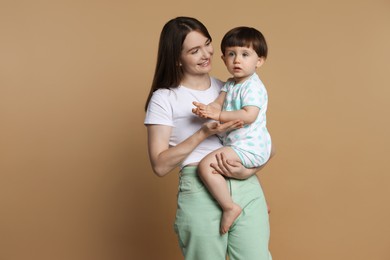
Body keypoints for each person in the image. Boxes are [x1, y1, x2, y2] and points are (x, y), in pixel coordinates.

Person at [144, 17, 272, 260]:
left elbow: (265, 143)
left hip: (245, 184)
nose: (206, 54)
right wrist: (203, 132)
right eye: (194, 50)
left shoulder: (231, 86)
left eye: (207, 44)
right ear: (176, 58)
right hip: (200, 186)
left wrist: (248, 174)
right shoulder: (165, 98)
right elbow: (160, 165)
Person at [192, 26, 272, 234]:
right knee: (231, 169)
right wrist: (208, 110)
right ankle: (262, 203)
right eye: (231, 54)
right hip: (239, 143)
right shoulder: (231, 84)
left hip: (249, 145)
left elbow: (249, 115)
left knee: (205, 166)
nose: (237, 60)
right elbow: (218, 104)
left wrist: (217, 115)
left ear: (259, 61)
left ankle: (229, 207)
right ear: (223, 58)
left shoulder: (252, 86)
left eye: (245, 54)